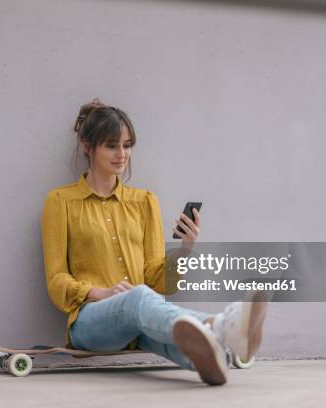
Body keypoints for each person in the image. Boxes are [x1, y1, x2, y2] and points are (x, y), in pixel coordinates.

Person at [41, 98, 267, 385]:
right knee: (138, 296)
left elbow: (157, 279)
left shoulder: (144, 202)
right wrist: (102, 292)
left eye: (127, 144)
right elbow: (56, 281)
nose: (122, 154)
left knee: (179, 335)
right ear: (88, 146)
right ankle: (223, 326)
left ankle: (219, 356)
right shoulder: (61, 202)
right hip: (90, 324)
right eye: (112, 145)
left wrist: (186, 248)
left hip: (141, 325)